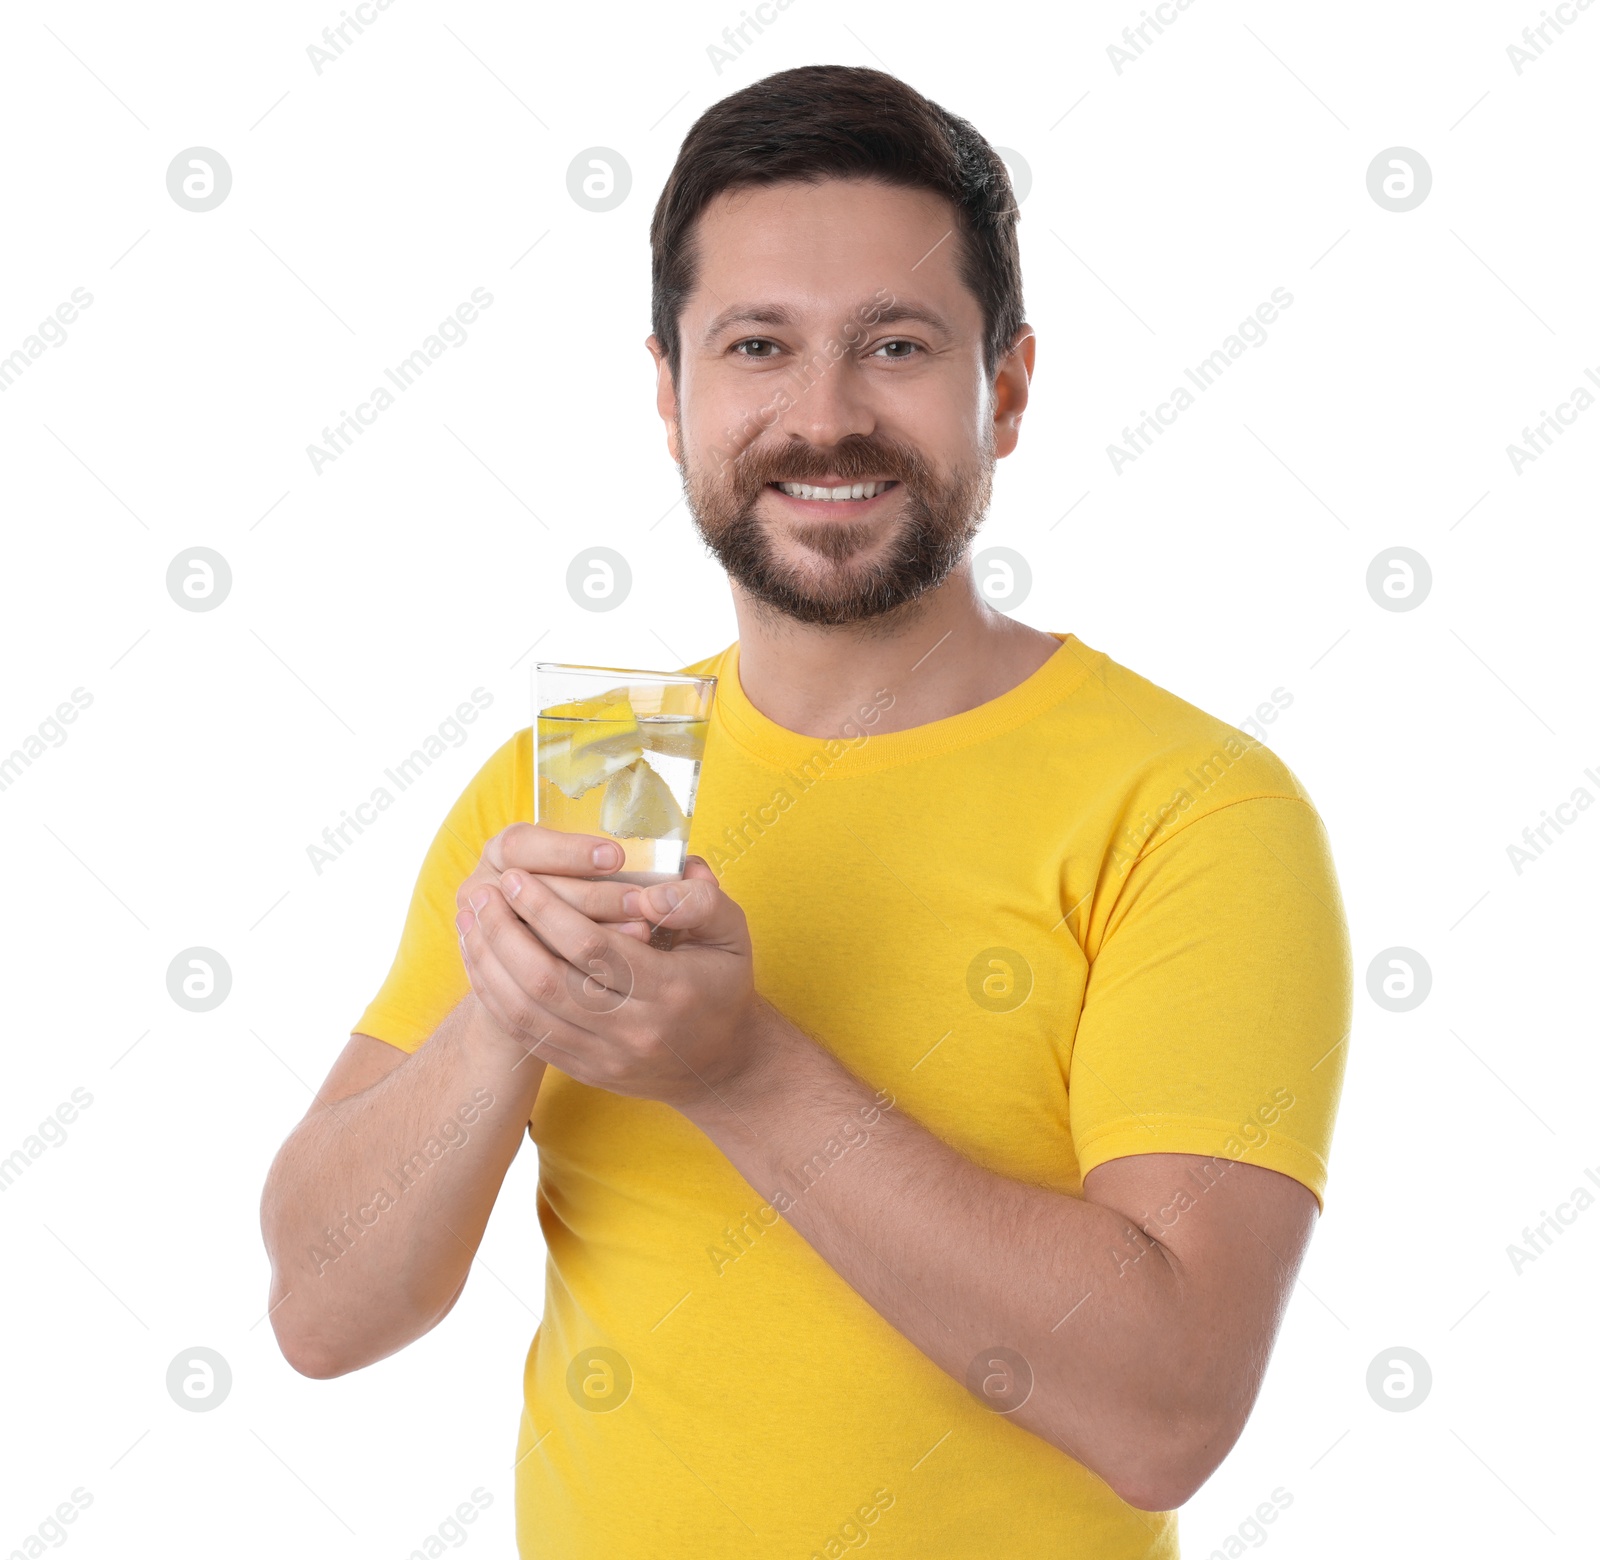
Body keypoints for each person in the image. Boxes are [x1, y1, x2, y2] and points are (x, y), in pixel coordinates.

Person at [260, 63, 1351, 1559]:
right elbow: (322, 1313)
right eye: (757, 345)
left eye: (896, 345)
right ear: (671, 392)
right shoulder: (587, 775)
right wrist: (510, 1015)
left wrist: (741, 1071)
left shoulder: (1189, 807)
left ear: (1008, 389)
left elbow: (1167, 1411)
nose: (822, 418)